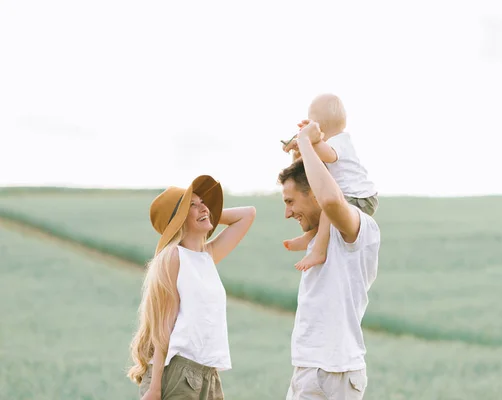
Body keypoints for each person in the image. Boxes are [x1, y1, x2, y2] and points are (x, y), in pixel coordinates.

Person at [127, 175, 256, 400]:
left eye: (202, 202)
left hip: (208, 372)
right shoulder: (173, 257)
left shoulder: (207, 255)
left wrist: (207, 212)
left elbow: (248, 214)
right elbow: (164, 325)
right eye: (192, 205)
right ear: (178, 221)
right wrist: (155, 388)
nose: (203, 207)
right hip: (178, 370)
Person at [278, 121, 381, 400]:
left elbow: (331, 201)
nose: (287, 213)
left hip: (333, 372)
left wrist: (306, 140)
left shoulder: (357, 225)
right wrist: (300, 152)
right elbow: (318, 193)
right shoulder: (319, 235)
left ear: (314, 193)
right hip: (309, 369)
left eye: (290, 202)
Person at [282, 93, 378, 271]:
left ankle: (319, 250)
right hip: (349, 195)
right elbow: (309, 170)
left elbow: (329, 156)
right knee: (327, 209)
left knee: (328, 209)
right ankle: (311, 236)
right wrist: (299, 146)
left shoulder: (339, 141)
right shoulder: (326, 143)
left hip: (360, 197)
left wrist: (309, 141)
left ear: (320, 127)